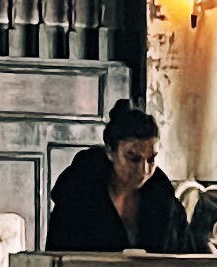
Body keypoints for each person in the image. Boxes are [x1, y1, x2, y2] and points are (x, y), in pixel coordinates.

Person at [46, 101, 192, 253]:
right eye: (133, 158)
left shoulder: (165, 200)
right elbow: (58, 263)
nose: (144, 170)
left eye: (151, 159)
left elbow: (186, 261)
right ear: (110, 152)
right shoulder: (76, 198)